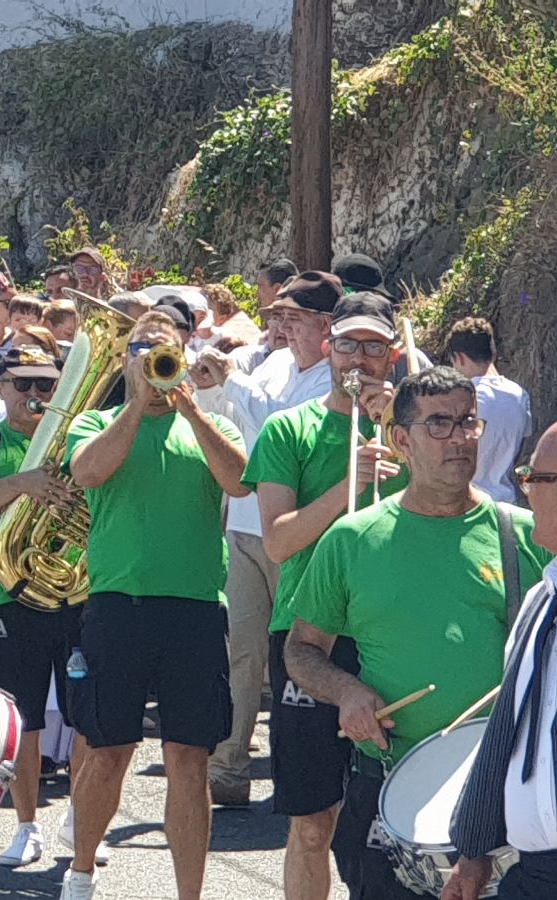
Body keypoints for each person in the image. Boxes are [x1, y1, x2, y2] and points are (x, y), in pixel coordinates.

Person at [284, 367, 551, 900]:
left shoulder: (526, 533)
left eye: (468, 423)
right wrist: (348, 692)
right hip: (391, 786)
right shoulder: (352, 539)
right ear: (400, 439)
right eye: (440, 425)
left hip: (499, 796)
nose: (459, 438)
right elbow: (301, 649)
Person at [60, 311, 249, 900]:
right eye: (142, 349)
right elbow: (87, 471)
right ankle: (82, 872)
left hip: (193, 609)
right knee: (109, 749)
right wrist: (139, 404)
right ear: (126, 359)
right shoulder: (97, 420)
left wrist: (192, 409)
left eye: (165, 351)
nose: (153, 360)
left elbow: (241, 482)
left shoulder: (215, 424)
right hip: (119, 605)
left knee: (189, 760)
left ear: (185, 358)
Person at [243, 293, 409, 900]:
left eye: (373, 347)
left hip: (388, 633)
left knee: (391, 821)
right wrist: (350, 484)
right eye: (348, 345)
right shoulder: (292, 428)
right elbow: (280, 542)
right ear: (326, 348)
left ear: (392, 356)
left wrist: (402, 429)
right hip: (309, 635)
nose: (359, 359)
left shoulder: (412, 431)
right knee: (311, 823)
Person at [0, 345, 106, 870]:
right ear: (0, 387)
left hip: (77, 592)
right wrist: (25, 485)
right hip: (11, 594)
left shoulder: (80, 436)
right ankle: (26, 825)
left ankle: (83, 820)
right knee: (23, 720)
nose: (35, 395)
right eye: (24, 384)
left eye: (46, 385)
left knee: (90, 719)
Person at [187, 273, 342, 810]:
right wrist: (208, 386)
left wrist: (232, 382)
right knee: (242, 652)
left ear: (326, 327)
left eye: (293, 318)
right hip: (245, 524)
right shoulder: (274, 365)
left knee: (290, 656)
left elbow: (280, 432)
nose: (280, 327)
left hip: (296, 533)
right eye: (278, 317)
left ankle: (291, 770)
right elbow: (234, 424)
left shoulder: (332, 381)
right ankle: (229, 766)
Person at [445, 422, 557, 900]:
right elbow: (507, 729)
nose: (525, 491)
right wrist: (475, 852)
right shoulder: (540, 596)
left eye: (534, 477)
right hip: (535, 871)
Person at [445, 316, 531, 503]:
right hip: (507, 503)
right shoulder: (520, 395)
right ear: (492, 353)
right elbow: (520, 453)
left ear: (459, 358)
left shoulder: (461, 397)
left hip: (468, 503)